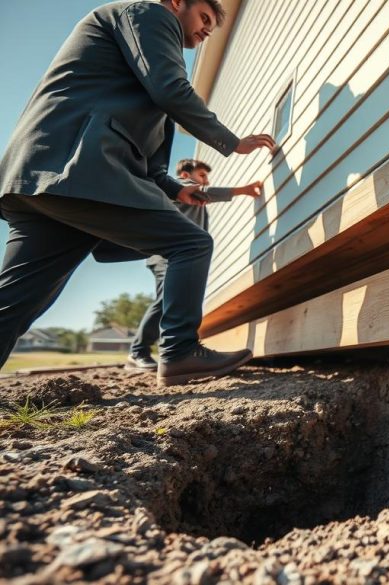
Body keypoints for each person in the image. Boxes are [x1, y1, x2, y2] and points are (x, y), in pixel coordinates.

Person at [0, 0, 275, 385]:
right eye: (205, 18)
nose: (207, 30)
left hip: (44, 176)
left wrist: (176, 191)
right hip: (80, 168)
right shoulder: (149, 14)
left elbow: (146, 161)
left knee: (14, 303)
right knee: (190, 244)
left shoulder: (135, 66)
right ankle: (179, 352)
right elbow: (171, 89)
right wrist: (231, 142)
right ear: (178, 3)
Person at [125, 159, 262, 371]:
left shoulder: (191, 203)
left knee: (168, 299)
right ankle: (138, 352)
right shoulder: (179, 185)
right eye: (202, 175)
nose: (205, 180)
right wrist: (242, 190)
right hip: (165, 254)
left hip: (174, 254)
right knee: (165, 300)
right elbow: (206, 192)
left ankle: (149, 351)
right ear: (187, 176)